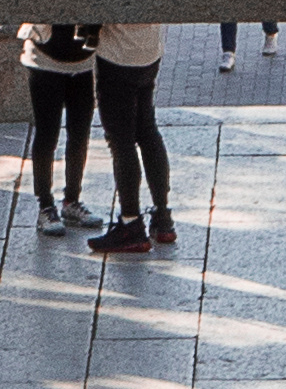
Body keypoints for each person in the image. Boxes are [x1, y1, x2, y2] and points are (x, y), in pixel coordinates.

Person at [88, 19, 173, 252]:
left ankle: (130, 222)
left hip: (117, 54)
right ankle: (163, 216)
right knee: (148, 132)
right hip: (150, 50)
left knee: (121, 142)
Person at [19, 18, 97, 229]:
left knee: (80, 134)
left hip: (82, 62)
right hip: (45, 60)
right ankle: (45, 205)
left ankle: (72, 200)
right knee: (47, 134)